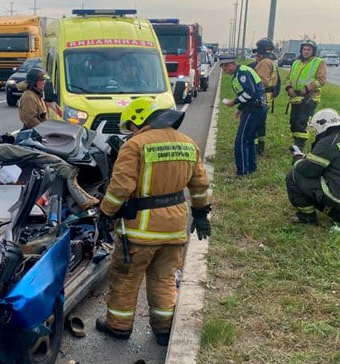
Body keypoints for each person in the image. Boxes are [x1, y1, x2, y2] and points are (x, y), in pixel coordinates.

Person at [95, 97, 210, 347]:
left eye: (131, 126)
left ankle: (118, 326)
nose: (131, 132)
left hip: (141, 231)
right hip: (175, 229)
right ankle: (163, 330)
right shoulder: (188, 144)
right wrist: (201, 213)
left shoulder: (135, 145)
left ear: (139, 119)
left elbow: (120, 188)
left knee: (125, 278)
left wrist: (105, 213)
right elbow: (200, 185)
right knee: (164, 278)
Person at [286, 108, 340, 225]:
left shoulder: (329, 142)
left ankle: (307, 217)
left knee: (294, 176)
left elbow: (306, 170)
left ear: (322, 125)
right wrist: (311, 158)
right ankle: (336, 214)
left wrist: (298, 158)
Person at [219, 55, 267, 176]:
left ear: (230, 65)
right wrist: (240, 108)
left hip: (254, 109)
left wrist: (233, 102)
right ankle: (251, 168)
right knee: (249, 139)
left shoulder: (242, 73)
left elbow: (250, 92)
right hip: (256, 107)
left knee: (241, 140)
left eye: (225, 69)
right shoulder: (243, 71)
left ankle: (242, 172)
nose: (225, 72)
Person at [286, 40, 327, 151]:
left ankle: (299, 146)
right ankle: (296, 143)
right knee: (293, 121)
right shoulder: (296, 62)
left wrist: (307, 88)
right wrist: (289, 88)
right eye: (304, 49)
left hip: (310, 97)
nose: (306, 51)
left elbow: (321, 80)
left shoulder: (318, 62)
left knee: (301, 121)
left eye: (309, 49)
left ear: (313, 51)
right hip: (295, 97)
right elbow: (288, 78)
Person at [250, 38, 279, 155]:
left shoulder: (265, 62)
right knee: (260, 124)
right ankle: (260, 147)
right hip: (266, 96)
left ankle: (255, 148)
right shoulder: (270, 61)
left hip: (260, 96)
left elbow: (261, 82)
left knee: (255, 123)